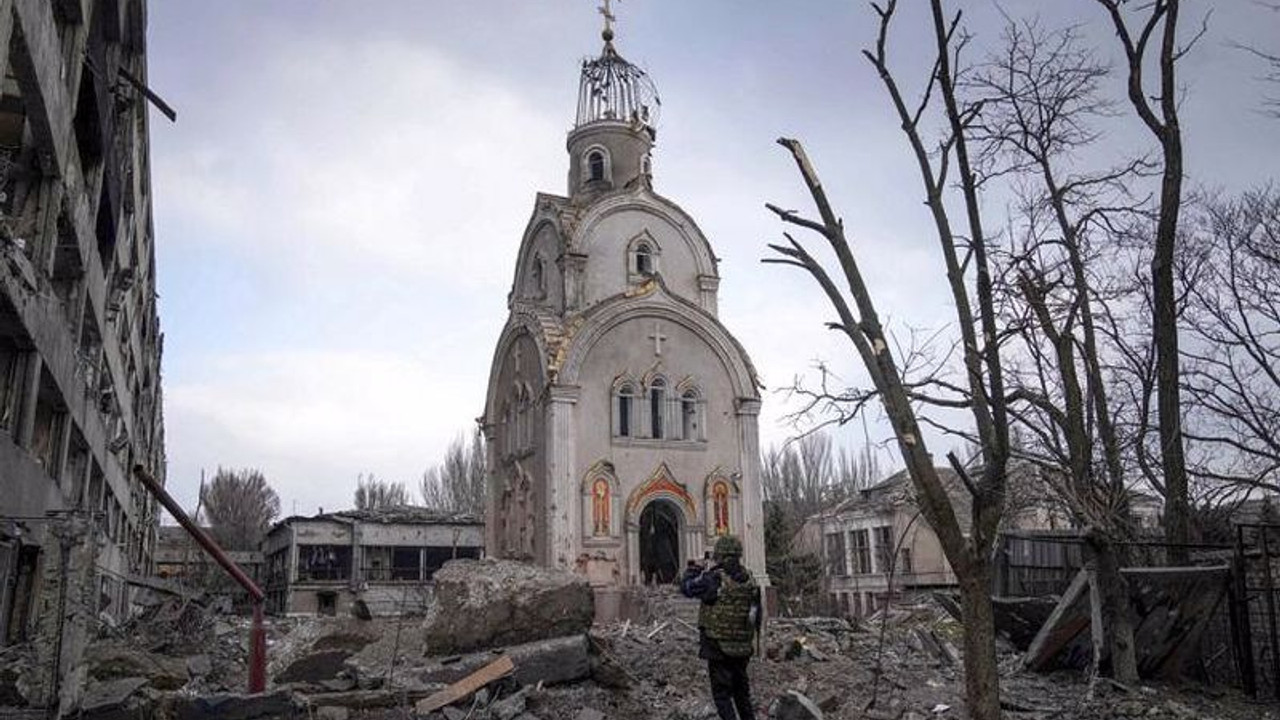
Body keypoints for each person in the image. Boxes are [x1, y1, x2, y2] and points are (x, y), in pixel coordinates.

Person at [680, 534, 762, 720]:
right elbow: (756, 616)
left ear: (720, 556)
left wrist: (694, 568)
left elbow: (686, 588)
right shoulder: (750, 580)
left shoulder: (713, 579)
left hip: (718, 645)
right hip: (742, 647)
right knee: (742, 693)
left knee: (722, 695)